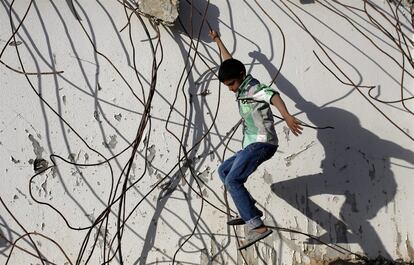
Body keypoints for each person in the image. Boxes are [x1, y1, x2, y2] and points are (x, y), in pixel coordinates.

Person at [209, 30, 303, 250]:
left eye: (232, 84)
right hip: (251, 144)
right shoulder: (240, 81)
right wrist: (217, 40)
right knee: (223, 171)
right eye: (228, 86)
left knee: (233, 180)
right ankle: (250, 211)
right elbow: (228, 61)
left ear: (241, 75)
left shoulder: (253, 89)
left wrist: (287, 116)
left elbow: (274, 95)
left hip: (263, 143)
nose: (231, 89)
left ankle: (257, 226)